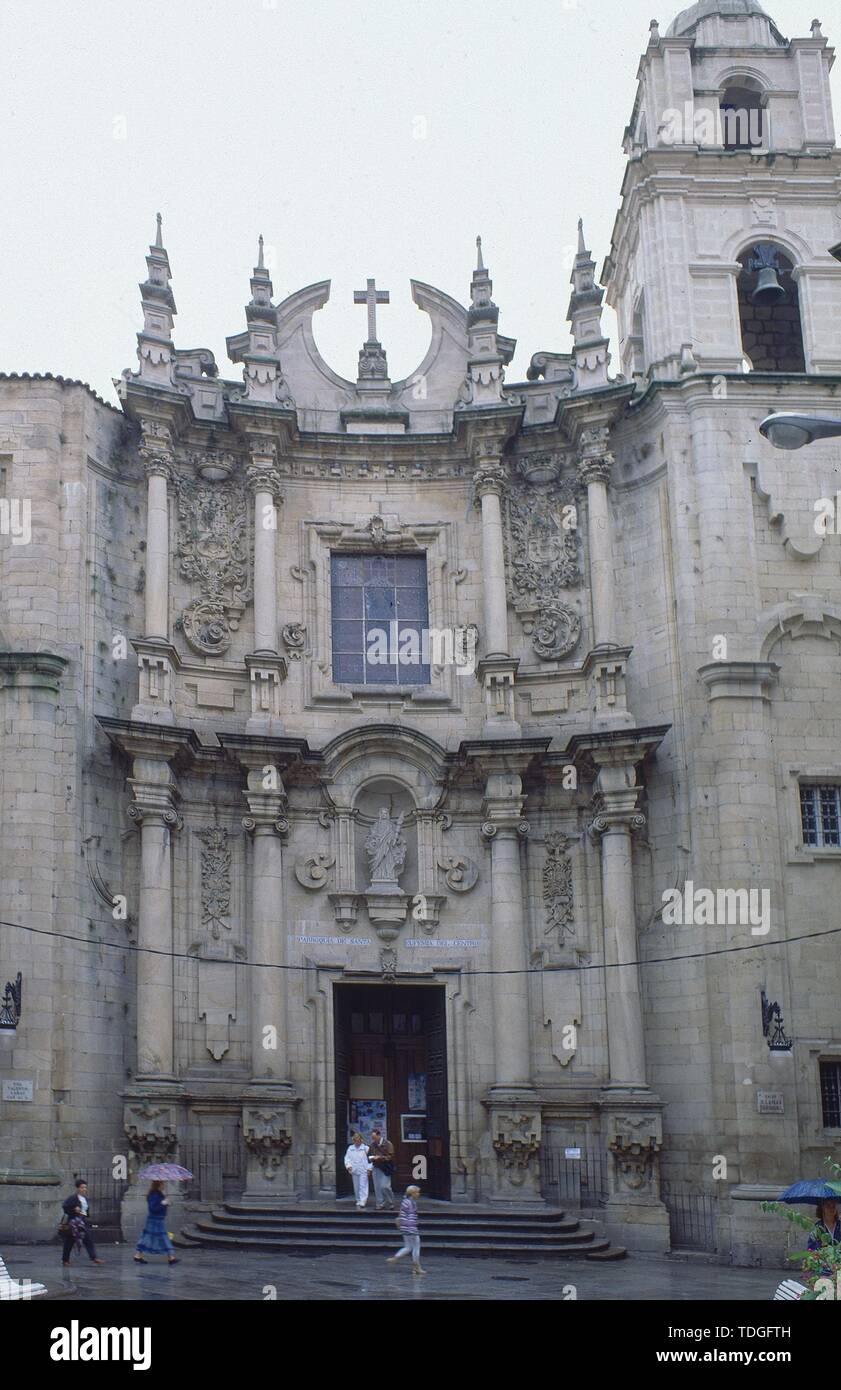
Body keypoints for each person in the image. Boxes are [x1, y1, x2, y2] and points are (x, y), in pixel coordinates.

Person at [60, 1178, 104, 1268]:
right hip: (74, 1222)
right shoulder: (73, 1198)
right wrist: (74, 1209)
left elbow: (85, 1210)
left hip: (82, 1221)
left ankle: (94, 1257)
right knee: (70, 1241)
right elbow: (65, 1206)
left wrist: (85, 1215)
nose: (84, 1189)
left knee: (88, 1240)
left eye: (85, 1187)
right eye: (82, 1187)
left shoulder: (84, 1199)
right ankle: (65, 1260)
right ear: (78, 1188)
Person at [134, 1180, 180, 1266]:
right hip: (154, 1220)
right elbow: (153, 1208)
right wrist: (163, 1203)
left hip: (158, 1219)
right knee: (158, 1237)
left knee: (150, 1237)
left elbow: (161, 1205)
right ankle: (171, 1258)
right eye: (163, 1184)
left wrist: (167, 1203)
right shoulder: (154, 1195)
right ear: (158, 1185)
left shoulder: (159, 1194)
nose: (164, 1186)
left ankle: (138, 1255)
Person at [386, 1184, 425, 1275]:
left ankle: (396, 1258)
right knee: (416, 1246)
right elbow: (411, 1215)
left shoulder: (404, 1201)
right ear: (412, 1193)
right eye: (417, 1192)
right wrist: (413, 1226)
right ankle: (416, 1267)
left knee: (408, 1246)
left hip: (404, 1227)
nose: (418, 1194)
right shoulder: (411, 1203)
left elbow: (401, 1214)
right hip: (411, 1227)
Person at [807, 1197, 841, 1273]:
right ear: (822, 1208)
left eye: (833, 1206)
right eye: (828, 1206)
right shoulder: (817, 1227)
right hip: (824, 1269)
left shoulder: (840, 1225)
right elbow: (811, 1249)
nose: (831, 1209)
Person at [368, 1128, 396, 1210]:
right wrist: (371, 1158)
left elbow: (390, 1156)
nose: (373, 1139)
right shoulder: (372, 1145)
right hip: (376, 1167)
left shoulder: (388, 1144)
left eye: (375, 1137)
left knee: (385, 1186)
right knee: (377, 1187)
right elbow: (369, 1155)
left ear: (379, 1135)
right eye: (372, 1137)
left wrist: (380, 1157)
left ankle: (391, 1202)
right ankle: (380, 1204)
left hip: (385, 1167)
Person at [344, 1133, 373, 1208]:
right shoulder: (350, 1148)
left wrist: (369, 1169)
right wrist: (349, 1166)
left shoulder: (366, 1148)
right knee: (356, 1186)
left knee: (363, 1185)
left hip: (363, 1169)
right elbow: (347, 1158)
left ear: (361, 1140)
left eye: (358, 1139)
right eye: (355, 1140)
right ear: (353, 1140)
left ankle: (363, 1201)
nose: (357, 1141)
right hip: (354, 1169)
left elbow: (370, 1160)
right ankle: (358, 1200)